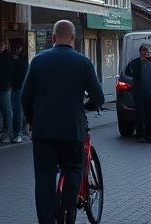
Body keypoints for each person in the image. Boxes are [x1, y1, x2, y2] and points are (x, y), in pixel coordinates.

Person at [21, 19, 105, 224]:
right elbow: (99, 97)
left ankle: (47, 220)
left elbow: (25, 95)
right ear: (73, 39)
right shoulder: (83, 62)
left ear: (53, 37)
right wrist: (86, 107)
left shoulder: (38, 61)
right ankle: (67, 207)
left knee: (44, 178)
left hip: (44, 131)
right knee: (74, 167)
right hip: (72, 130)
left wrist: (31, 120)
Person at [124, 43, 151, 143]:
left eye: (147, 51)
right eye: (143, 50)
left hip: (148, 93)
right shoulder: (134, 63)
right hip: (138, 93)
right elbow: (129, 75)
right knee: (140, 114)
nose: (145, 53)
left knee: (149, 115)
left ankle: (149, 135)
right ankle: (140, 135)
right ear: (140, 52)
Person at [10, 39, 29, 143]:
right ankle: (15, 132)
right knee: (14, 111)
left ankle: (17, 132)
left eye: (18, 48)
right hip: (13, 87)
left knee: (17, 111)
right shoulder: (20, 60)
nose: (16, 50)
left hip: (17, 88)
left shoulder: (23, 61)